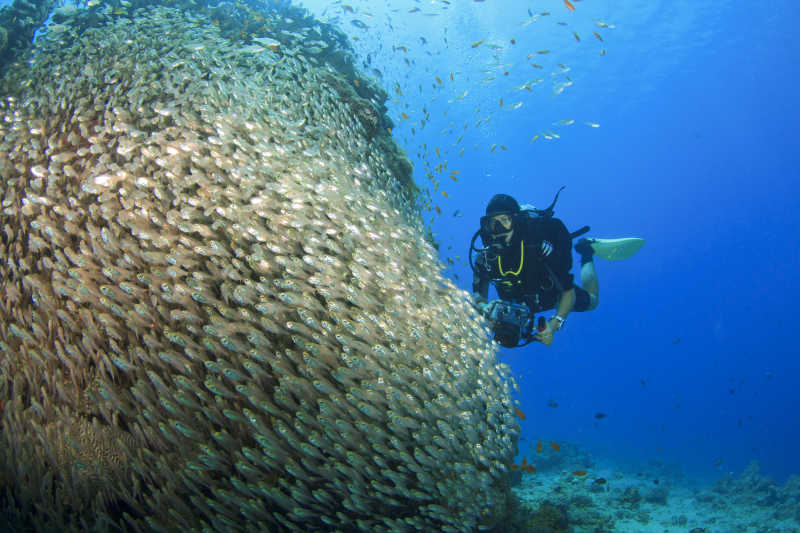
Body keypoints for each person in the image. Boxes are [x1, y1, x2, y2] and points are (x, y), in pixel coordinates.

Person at [471, 192, 601, 347]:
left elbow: (568, 292)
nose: (499, 228)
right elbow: (478, 297)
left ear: (516, 220)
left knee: (593, 301)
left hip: (550, 296)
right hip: (516, 305)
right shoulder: (486, 258)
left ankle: (586, 252)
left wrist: (554, 324)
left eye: (505, 220)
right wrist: (485, 308)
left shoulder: (539, 248)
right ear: (487, 226)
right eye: (494, 223)